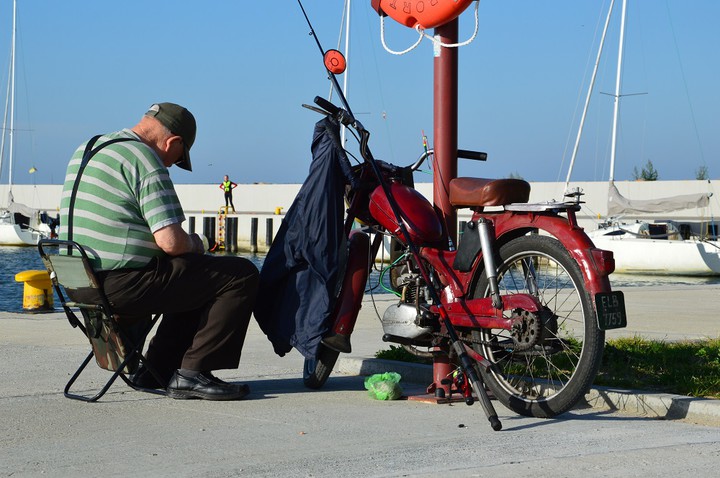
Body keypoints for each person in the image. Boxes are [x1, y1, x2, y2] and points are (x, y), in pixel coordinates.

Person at [59, 102, 259, 401]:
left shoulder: (89, 147)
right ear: (173, 142)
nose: (171, 166)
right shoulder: (145, 158)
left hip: (77, 282)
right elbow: (171, 242)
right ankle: (193, 373)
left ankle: (158, 370)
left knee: (194, 277)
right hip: (119, 285)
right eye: (178, 158)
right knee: (239, 274)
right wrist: (198, 243)